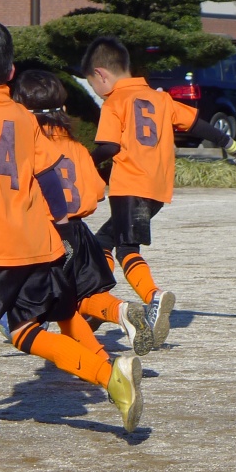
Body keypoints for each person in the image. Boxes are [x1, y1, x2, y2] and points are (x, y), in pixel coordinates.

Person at [0, 17, 143, 448]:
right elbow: (49, 176)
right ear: (10, 70)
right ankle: (108, 374)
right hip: (40, 241)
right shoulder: (22, 115)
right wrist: (63, 229)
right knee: (22, 327)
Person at [81, 36, 236, 348]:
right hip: (157, 189)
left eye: (93, 85)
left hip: (129, 185)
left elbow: (109, 146)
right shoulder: (161, 99)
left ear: (101, 74)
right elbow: (196, 124)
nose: (96, 91)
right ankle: (96, 300)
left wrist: (83, 161)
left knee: (126, 249)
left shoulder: (115, 102)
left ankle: (152, 297)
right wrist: (229, 142)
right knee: (104, 241)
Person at [11, 68, 154, 357]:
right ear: (62, 110)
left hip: (43, 232)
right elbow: (96, 192)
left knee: (58, 304)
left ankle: (96, 357)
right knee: (81, 297)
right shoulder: (76, 147)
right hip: (78, 232)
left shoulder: (25, 147)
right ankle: (120, 311)